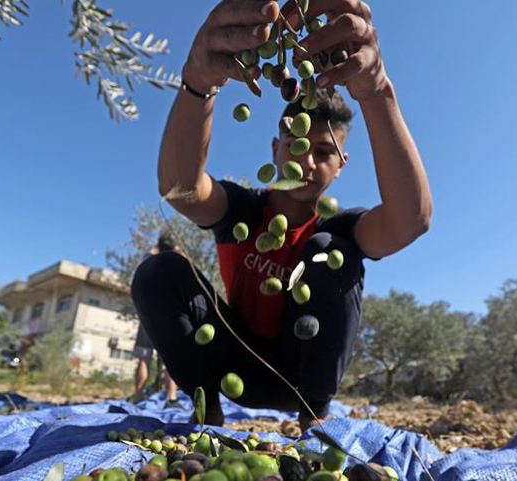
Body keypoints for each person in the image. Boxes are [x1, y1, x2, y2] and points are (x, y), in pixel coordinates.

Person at [131, 0, 432, 432]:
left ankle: (315, 423)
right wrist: (198, 82)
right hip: (231, 365)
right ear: (276, 149)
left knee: (331, 253)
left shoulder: (337, 227)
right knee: (160, 271)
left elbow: (411, 220)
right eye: (297, 144)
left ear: (342, 163)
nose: (308, 163)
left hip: (300, 377)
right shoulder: (245, 210)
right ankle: (206, 419)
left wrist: (376, 89)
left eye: (324, 152)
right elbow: (180, 190)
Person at [130, 231, 182, 409]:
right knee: (171, 359)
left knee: (143, 358)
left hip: (148, 314)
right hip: (168, 316)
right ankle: (171, 398)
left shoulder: (150, 260)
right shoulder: (176, 262)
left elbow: (146, 259)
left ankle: (137, 396)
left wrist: (156, 249)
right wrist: (177, 250)